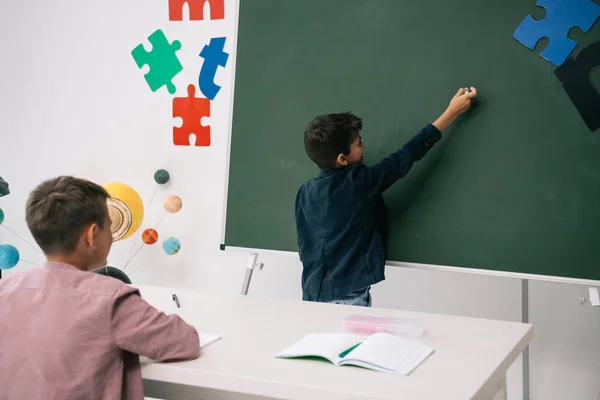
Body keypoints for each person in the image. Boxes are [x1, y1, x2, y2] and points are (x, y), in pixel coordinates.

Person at [0, 176, 200, 399]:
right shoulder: (111, 299)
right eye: (110, 227)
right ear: (93, 235)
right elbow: (184, 341)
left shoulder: (4, 291)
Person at [296, 87, 478, 306]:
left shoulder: (304, 192)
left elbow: (305, 244)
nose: (363, 145)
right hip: (346, 298)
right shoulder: (359, 183)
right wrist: (451, 113)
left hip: (311, 295)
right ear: (342, 159)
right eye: (358, 144)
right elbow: (406, 155)